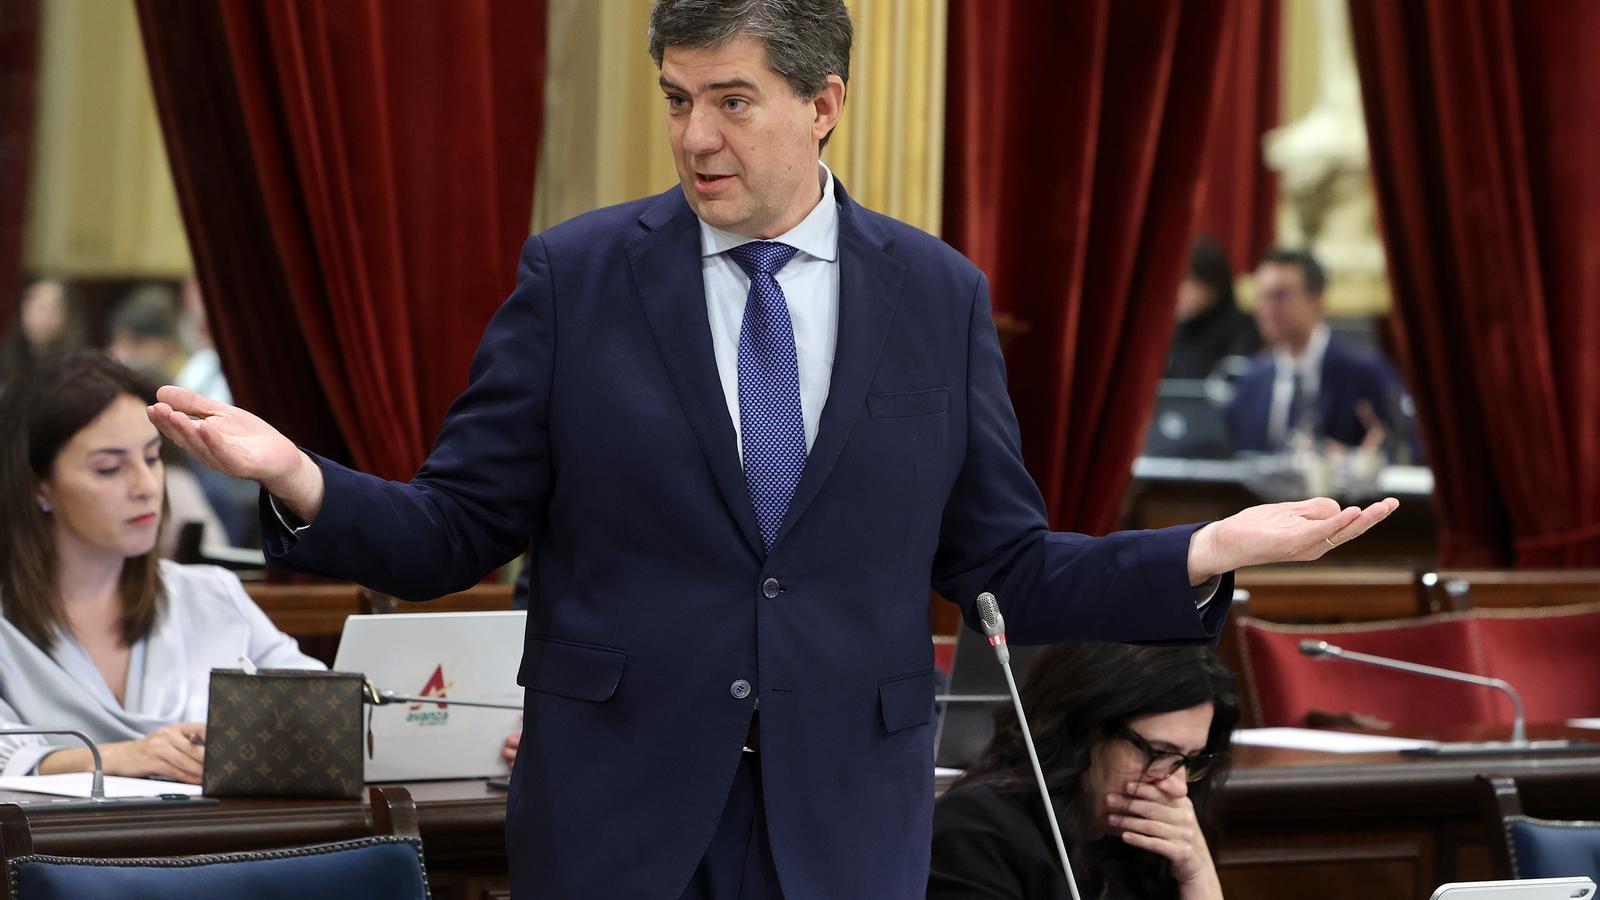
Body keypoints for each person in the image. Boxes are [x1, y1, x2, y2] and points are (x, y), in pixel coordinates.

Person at [148, 2, 1397, 896]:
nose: (696, 137)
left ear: (823, 104)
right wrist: (294, 476)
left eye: (732, 101)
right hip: (618, 814)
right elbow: (452, 530)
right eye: (679, 101)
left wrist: (1206, 549)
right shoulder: (577, 278)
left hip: (844, 816)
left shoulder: (936, 295)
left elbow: (1000, 562)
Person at [0, 352, 323, 782]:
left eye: (152, 459)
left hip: (216, 844)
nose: (145, 486)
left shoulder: (208, 595)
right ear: (38, 486)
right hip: (52, 848)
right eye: (109, 468)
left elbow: (321, 709)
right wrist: (120, 757)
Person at [930, 645, 1237, 900]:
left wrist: (1199, 878)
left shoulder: (1154, 847)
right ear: (1086, 730)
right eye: (1158, 752)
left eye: (1190, 760)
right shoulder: (975, 830)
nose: (1177, 787)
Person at [1224, 248, 1409, 454]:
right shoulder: (1252, 381)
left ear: (1316, 299)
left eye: (1279, 295)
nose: (1267, 307)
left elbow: (1405, 447)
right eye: (1261, 296)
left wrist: (1356, 462)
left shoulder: (1364, 374)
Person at [1165, 236, 1260, 380]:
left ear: (1213, 286)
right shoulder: (1175, 328)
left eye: (1186, 280)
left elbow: (1231, 383)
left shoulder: (1242, 328)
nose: (1178, 290)